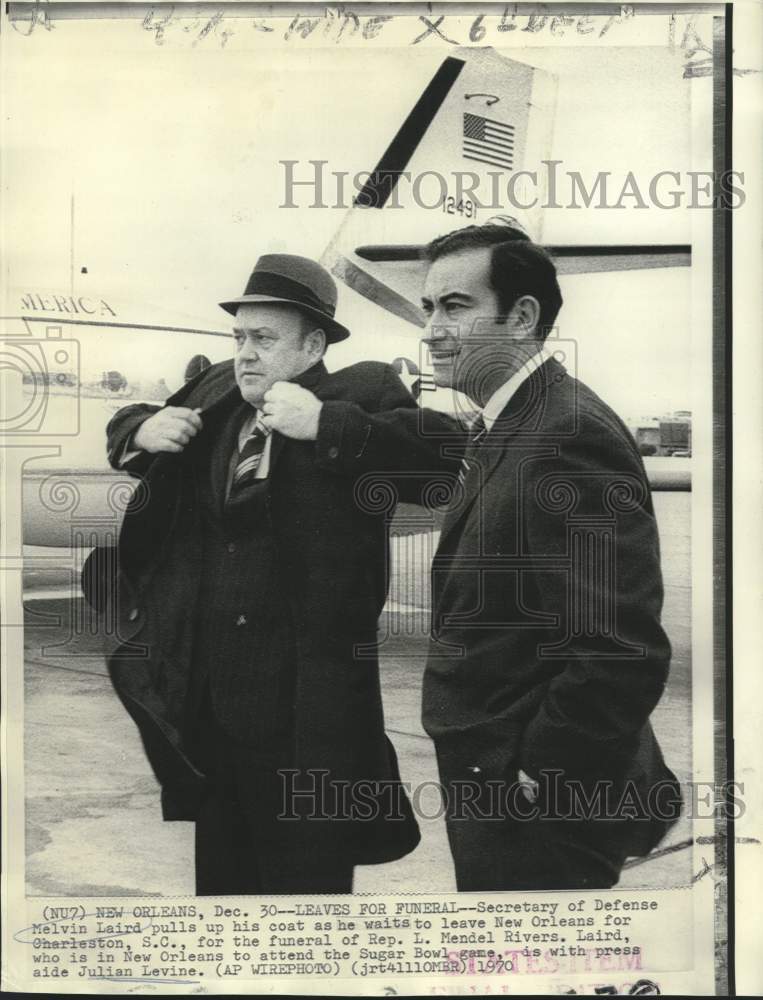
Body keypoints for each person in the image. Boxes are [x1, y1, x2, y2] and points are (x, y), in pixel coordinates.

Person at [274, 224, 682, 891]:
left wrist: (541, 775)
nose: (430, 328)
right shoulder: (510, 422)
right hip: (495, 784)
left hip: (537, 805)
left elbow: (619, 648)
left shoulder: (566, 432)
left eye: (454, 306)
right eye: (428, 307)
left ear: (521, 317)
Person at [83, 253, 456, 895]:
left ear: (313, 344)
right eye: (239, 338)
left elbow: (448, 459)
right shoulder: (218, 398)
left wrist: (326, 424)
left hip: (310, 721)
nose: (245, 354)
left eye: (264, 339)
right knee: (222, 898)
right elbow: (127, 420)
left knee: (305, 901)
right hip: (213, 712)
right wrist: (139, 429)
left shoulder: (360, 393)